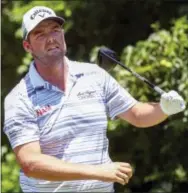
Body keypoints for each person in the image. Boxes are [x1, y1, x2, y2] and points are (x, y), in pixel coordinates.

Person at [3, 5, 185, 192]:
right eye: (40, 34)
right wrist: (97, 172)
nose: (51, 39)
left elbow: (137, 115)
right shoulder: (19, 98)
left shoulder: (94, 75)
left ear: (63, 35)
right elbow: (31, 163)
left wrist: (164, 108)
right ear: (27, 46)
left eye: (55, 30)